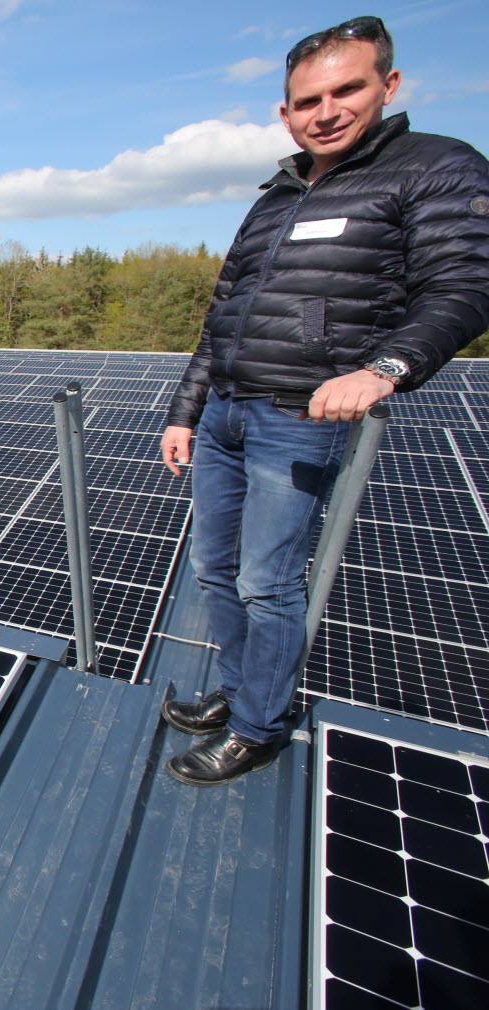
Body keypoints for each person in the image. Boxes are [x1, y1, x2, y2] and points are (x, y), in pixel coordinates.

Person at [157, 15, 489, 786]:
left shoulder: (434, 168)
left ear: (389, 86)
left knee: (265, 581)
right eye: (308, 100)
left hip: (298, 420)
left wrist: (387, 366)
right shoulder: (276, 195)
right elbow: (223, 317)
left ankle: (259, 726)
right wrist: (185, 411)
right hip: (227, 415)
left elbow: (468, 285)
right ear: (286, 112)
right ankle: (243, 693)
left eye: (348, 90)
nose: (327, 111)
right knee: (213, 570)